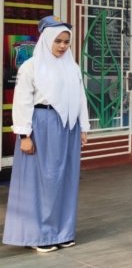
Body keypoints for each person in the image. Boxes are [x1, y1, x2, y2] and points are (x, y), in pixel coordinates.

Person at [3, 16, 90, 253]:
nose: (62, 46)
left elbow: (80, 98)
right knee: (42, 181)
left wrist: (83, 127)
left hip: (68, 128)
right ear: (46, 40)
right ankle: (37, 235)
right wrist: (24, 135)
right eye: (58, 41)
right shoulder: (30, 67)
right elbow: (22, 102)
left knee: (66, 180)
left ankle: (62, 232)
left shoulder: (72, 67)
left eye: (66, 42)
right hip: (41, 125)